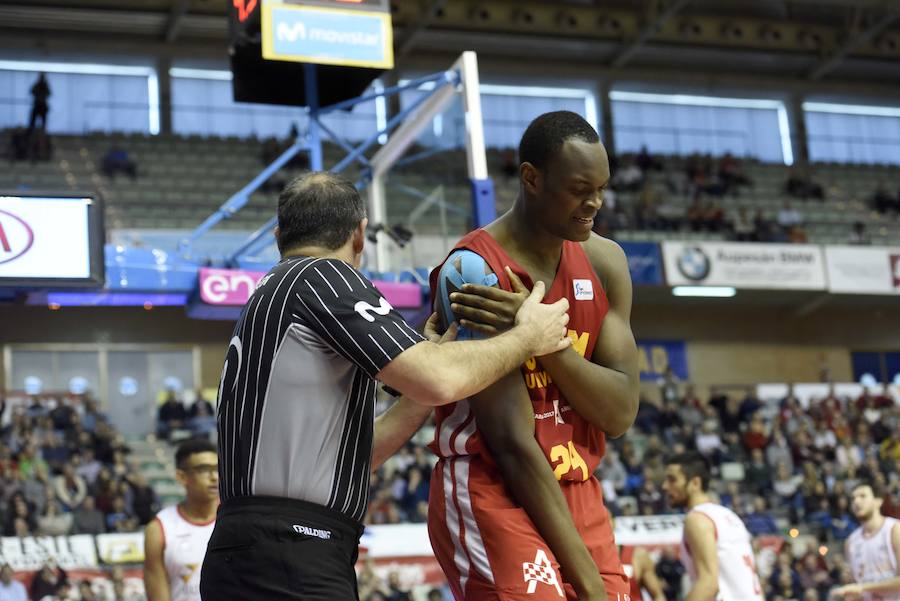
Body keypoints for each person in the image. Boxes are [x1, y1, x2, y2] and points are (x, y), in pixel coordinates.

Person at [200, 172, 571, 600]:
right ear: (360, 236)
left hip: (249, 547)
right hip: (292, 551)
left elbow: (357, 456)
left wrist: (419, 382)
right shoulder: (323, 276)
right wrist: (528, 337)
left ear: (279, 234)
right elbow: (439, 378)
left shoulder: (268, 295)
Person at [427, 111, 639, 600]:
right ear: (532, 179)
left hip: (577, 488)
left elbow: (620, 411)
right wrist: (586, 581)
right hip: (493, 486)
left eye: (602, 188)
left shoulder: (607, 261)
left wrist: (545, 339)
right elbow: (511, 443)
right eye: (580, 188)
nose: (595, 204)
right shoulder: (473, 270)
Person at [662, 452, 764, 601]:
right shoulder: (729, 516)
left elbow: (708, 584)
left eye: (672, 480)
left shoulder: (697, 520)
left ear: (695, 483)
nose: (665, 486)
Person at [144, 438, 218, 601]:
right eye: (204, 469)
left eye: (217, 468)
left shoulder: (235, 520)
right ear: (181, 476)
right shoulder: (159, 529)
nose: (214, 476)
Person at [833, 481, 900, 600]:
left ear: (878, 501)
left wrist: (863, 588)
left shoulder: (894, 530)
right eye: (853, 498)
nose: (856, 501)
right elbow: (857, 590)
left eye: (862, 496)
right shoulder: (851, 542)